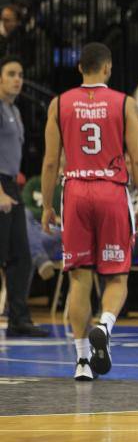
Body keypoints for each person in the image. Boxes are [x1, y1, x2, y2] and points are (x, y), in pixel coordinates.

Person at [40, 43, 138, 381]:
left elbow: (49, 161)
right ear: (107, 68)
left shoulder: (59, 104)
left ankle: (82, 362)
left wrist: (47, 204)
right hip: (111, 191)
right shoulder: (123, 103)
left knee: (79, 277)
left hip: (74, 190)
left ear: (79, 68)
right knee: (117, 276)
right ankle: (104, 325)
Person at [0, 56, 49, 337]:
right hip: (0, 186)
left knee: (22, 255)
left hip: (11, 185)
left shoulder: (14, 110)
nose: (17, 79)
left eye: (20, 74)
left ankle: (18, 319)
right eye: (11, 74)